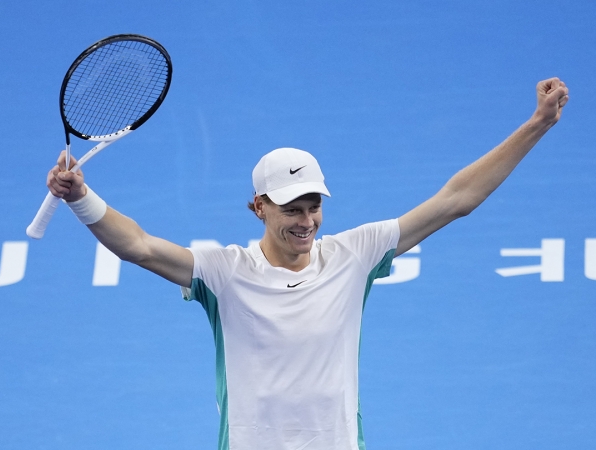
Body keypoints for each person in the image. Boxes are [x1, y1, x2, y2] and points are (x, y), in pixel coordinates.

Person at [48, 78, 569, 450]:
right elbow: (138, 246)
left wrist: (537, 125)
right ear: (259, 207)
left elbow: (456, 200)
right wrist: (81, 198)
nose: (306, 222)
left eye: (313, 207)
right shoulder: (224, 273)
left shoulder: (355, 255)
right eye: (291, 209)